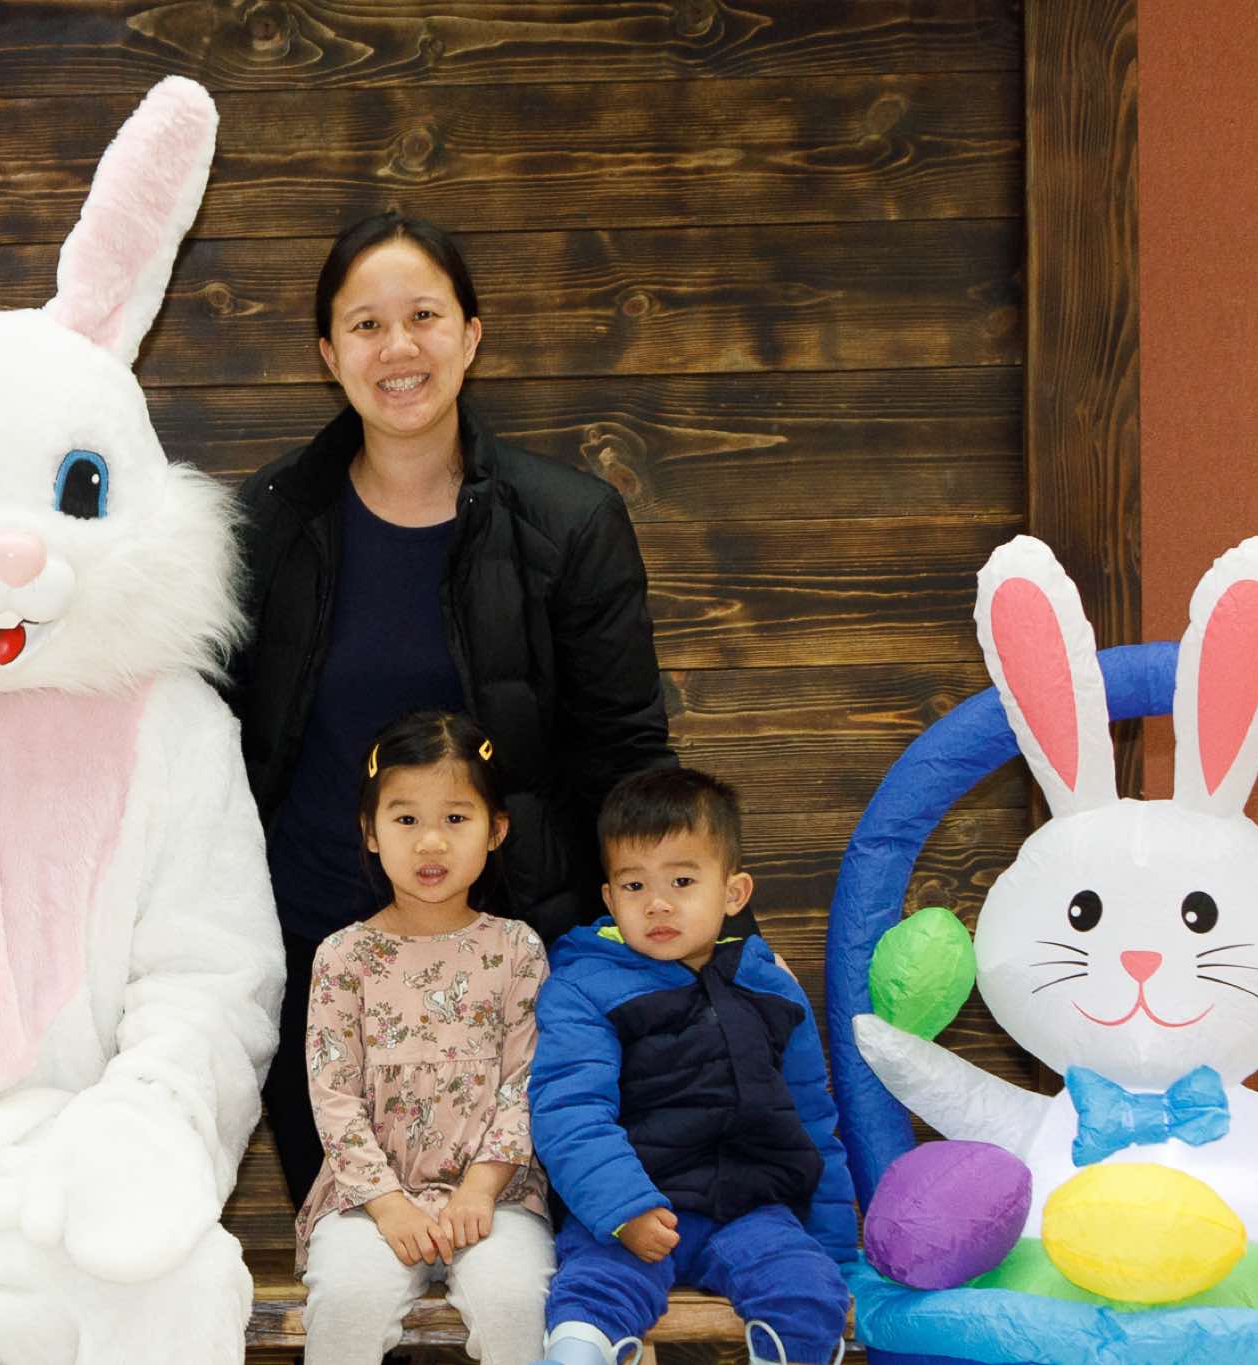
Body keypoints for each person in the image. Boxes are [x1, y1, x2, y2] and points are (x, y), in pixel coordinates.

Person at [228, 210, 675, 1203]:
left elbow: (625, 755)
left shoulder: (569, 523)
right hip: (322, 975)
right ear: (328, 354)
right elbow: (212, 745)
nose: (398, 348)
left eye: (423, 316)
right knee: (354, 1254)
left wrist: (669, 936)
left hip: (513, 972)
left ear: (470, 336)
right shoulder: (266, 524)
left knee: (508, 1259)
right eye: (365, 325)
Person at [527, 768, 855, 1365]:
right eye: (634, 885)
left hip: (752, 1215)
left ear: (733, 893)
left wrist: (834, 1248)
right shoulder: (584, 986)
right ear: (609, 899)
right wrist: (623, 1209)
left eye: (681, 880)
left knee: (809, 1295)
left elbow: (812, 1118)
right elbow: (569, 1111)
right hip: (633, 1212)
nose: (657, 903)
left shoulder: (771, 987)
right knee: (592, 1298)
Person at [297, 710, 554, 1365]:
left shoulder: (517, 949)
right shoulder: (343, 956)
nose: (431, 842)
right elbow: (333, 1095)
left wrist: (480, 1189)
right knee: (346, 1299)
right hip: (367, 1201)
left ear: (496, 829)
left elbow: (526, 1082)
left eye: (456, 818)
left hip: (497, 1196)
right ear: (371, 832)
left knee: (515, 1301)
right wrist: (387, 1205)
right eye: (406, 819)